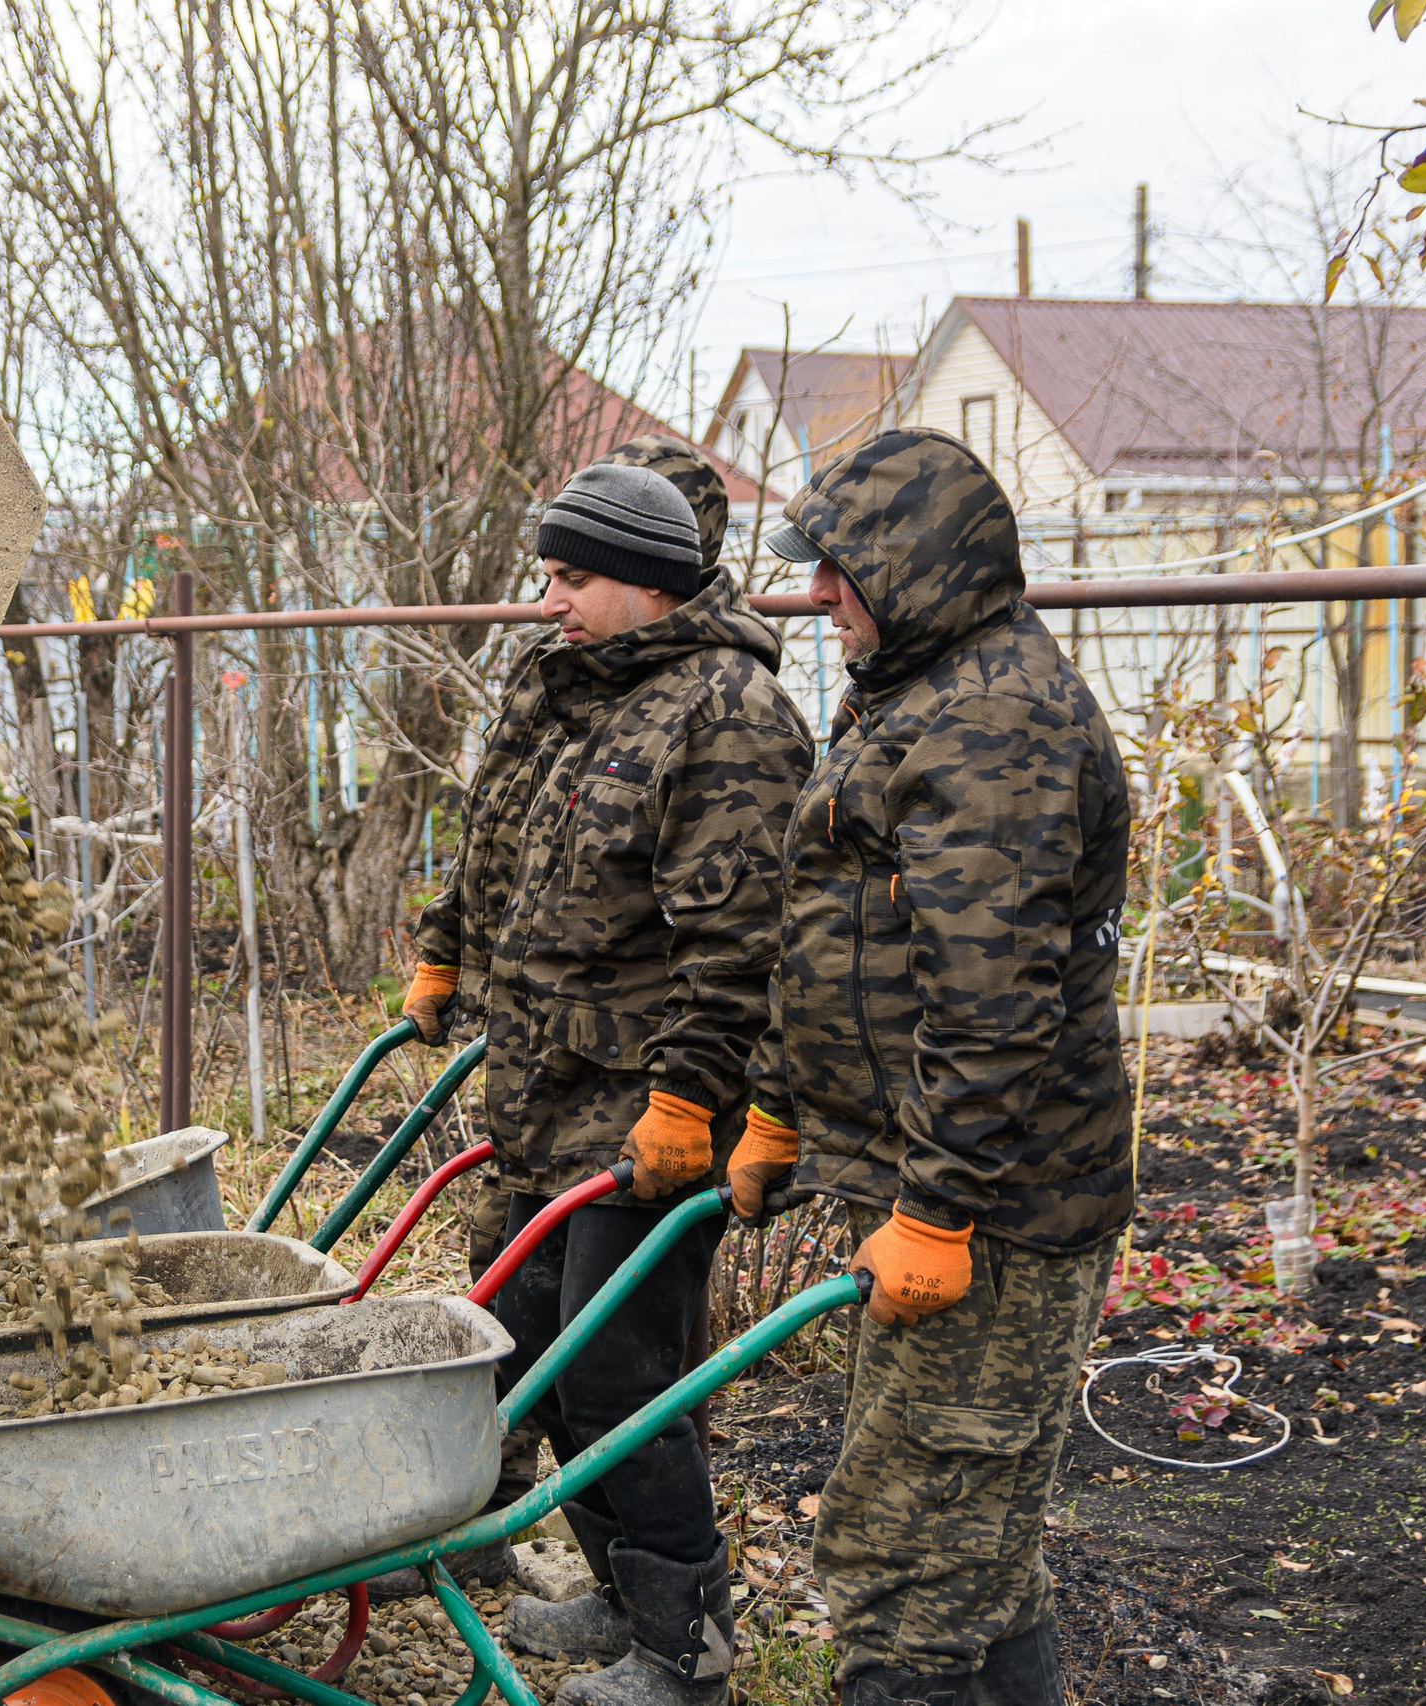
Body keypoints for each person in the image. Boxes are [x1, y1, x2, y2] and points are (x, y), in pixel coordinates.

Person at [403, 439, 813, 1706]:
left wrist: (688, 1098)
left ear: (647, 582)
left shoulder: (727, 717)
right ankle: (626, 1595)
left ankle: (687, 1647)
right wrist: (445, 952)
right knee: (530, 1351)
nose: (549, 598)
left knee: (617, 1368)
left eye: (573, 576)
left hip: (647, 1110)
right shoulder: (581, 683)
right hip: (544, 1092)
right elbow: (505, 840)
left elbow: (741, 946)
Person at [729, 427, 1132, 1706]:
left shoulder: (995, 721)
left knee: (904, 1561)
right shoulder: (910, 698)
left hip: (997, 1210)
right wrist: (779, 1108)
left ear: (914, 568)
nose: (819, 594)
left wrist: (938, 1204)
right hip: (930, 1187)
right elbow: (838, 934)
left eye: (841, 569)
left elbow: (991, 1001)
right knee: (977, 1555)